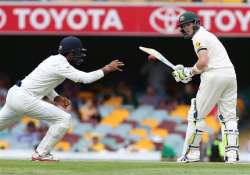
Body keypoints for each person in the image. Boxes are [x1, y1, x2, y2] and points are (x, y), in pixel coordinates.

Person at [0, 36, 124, 161]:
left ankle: (41, 154)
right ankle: (41, 154)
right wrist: (107, 69)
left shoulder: (53, 60)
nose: (79, 55)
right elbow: (85, 78)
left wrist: (56, 97)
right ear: (71, 52)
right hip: (24, 98)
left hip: (15, 94)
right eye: (78, 52)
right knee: (63, 119)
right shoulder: (60, 64)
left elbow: (44, 83)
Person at [172, 12, 239, 163]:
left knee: (196, 115)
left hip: (214, 74)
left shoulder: (199, 37)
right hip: (230, 75)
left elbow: (203, 62)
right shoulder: (209, 35)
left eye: (188, 24)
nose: (186, 28)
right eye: (183, 26)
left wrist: (189, 72)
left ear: (196, 23)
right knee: (229, 117)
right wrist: (190, 72)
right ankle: (232, 156)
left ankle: (191, 154)